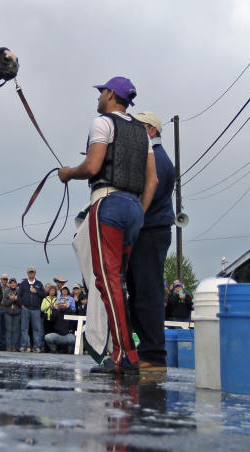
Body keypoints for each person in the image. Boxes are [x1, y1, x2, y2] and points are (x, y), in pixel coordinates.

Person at [57, 76, 158, 374]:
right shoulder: (143, 133)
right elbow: (152, 179)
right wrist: (139, 209)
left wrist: (67, 173)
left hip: (107, 204)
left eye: (101, 92)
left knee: (107, 281)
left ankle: (125, 355)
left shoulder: (102, 123)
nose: (99, 97)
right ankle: (123, 351)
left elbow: (92, 166)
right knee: (119, 282)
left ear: (111, 94)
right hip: (133, 208)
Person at [127, 111, 175, 370]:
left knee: (147, 293)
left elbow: (147, 190)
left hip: (151, 231)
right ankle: (145, 350)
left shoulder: (158, 159)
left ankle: (153, 354)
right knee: (140, 293)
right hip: (149, 230)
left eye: (139, 128)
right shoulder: (155, 157)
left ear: (152, 131)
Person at [17, 266, 45, 352]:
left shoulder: (39, 283)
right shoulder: (23, 284)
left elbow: (43, 294)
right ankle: (24, 346)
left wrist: (36, 291)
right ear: (28, 273)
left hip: (36, 309)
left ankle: (36, 347)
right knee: (24, 329)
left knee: (37, 329)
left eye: (32, 272)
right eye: (30, 272)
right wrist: (21, 305)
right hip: (25, 309)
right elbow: (19, 295)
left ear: (35, 273)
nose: (31, 273)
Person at [44, 289, 77, 354]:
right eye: (61, 303)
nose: (62, 304)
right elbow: (51, 319)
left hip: (67, 335)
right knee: (47, 337)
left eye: (64, 303)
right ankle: (54, 350)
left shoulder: (69, 311)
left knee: (74, 339)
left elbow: (74, 320)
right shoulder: (57, 311)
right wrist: (54, 309)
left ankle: (69, 352)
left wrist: (68, 307)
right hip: (57, 335)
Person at [2, 277, 22, 352]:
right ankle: (8, 346)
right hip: (8, 313)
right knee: (9, 330)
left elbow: (21, 303)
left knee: (15, 330)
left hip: (17, 313)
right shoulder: (6, 291)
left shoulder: (19, 292)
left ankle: (14, 346)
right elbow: (5, 303)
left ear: (16, 284)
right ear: (9, 284)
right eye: (11, 283)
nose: (13, 284)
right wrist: (12, 299)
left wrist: (17, 299)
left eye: (14, 283)